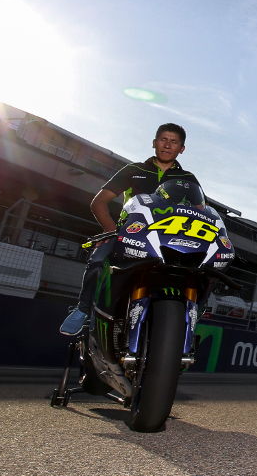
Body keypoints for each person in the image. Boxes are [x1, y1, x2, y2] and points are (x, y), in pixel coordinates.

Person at [59, 123, 199, 335]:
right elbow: (99, 202)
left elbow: (200, 211)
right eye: (163, 140)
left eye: (174, 142)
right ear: (154, 143)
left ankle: (189, 316)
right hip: (130, 234)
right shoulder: (134, 170)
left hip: (169, 239)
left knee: (200, 268)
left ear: (182, 149)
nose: (167, 145)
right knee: (98, 260)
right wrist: (110, 229)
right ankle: (83, 310)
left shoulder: (188, 179)